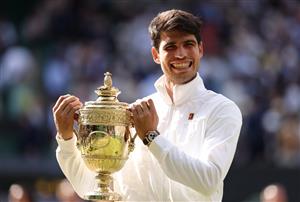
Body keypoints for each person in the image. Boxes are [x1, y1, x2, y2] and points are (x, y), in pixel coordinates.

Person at [53, 9, 242, 201]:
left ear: (200, 49)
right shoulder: (135, 112)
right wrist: (66, 137)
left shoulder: (221, 109)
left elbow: (208, 180)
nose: (181, 54)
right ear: (155, 55)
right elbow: (95, 186)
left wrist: (152, 138)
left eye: (188, 44)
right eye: (170, 47)